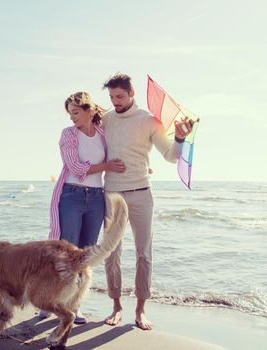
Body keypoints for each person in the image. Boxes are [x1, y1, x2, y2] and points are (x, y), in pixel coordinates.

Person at [101, 73, 193, 330]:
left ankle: (140, 311)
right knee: (111, 253)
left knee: (144, 253)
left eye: (119, 96)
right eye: (111, 97)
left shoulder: (150, 121)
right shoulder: (106, 120)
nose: (115, 101)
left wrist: (180, 138)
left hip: (141, 192)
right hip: (112, 194)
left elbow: (171, 156)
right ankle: (116, 306)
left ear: (132, 94)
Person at [42, 91, 125, 324]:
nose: (72, 118)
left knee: (86, 254)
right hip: (72, 195)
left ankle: (74, 304)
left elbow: (119, 153)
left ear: (88, 110)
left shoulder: (102, 133)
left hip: (97, 198)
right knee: (65, 252)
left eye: (76, 112)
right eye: (70, 114)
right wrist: (106, 165)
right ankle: (49, 299)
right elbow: (76, 167)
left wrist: (138, 167)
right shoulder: (68, 135)